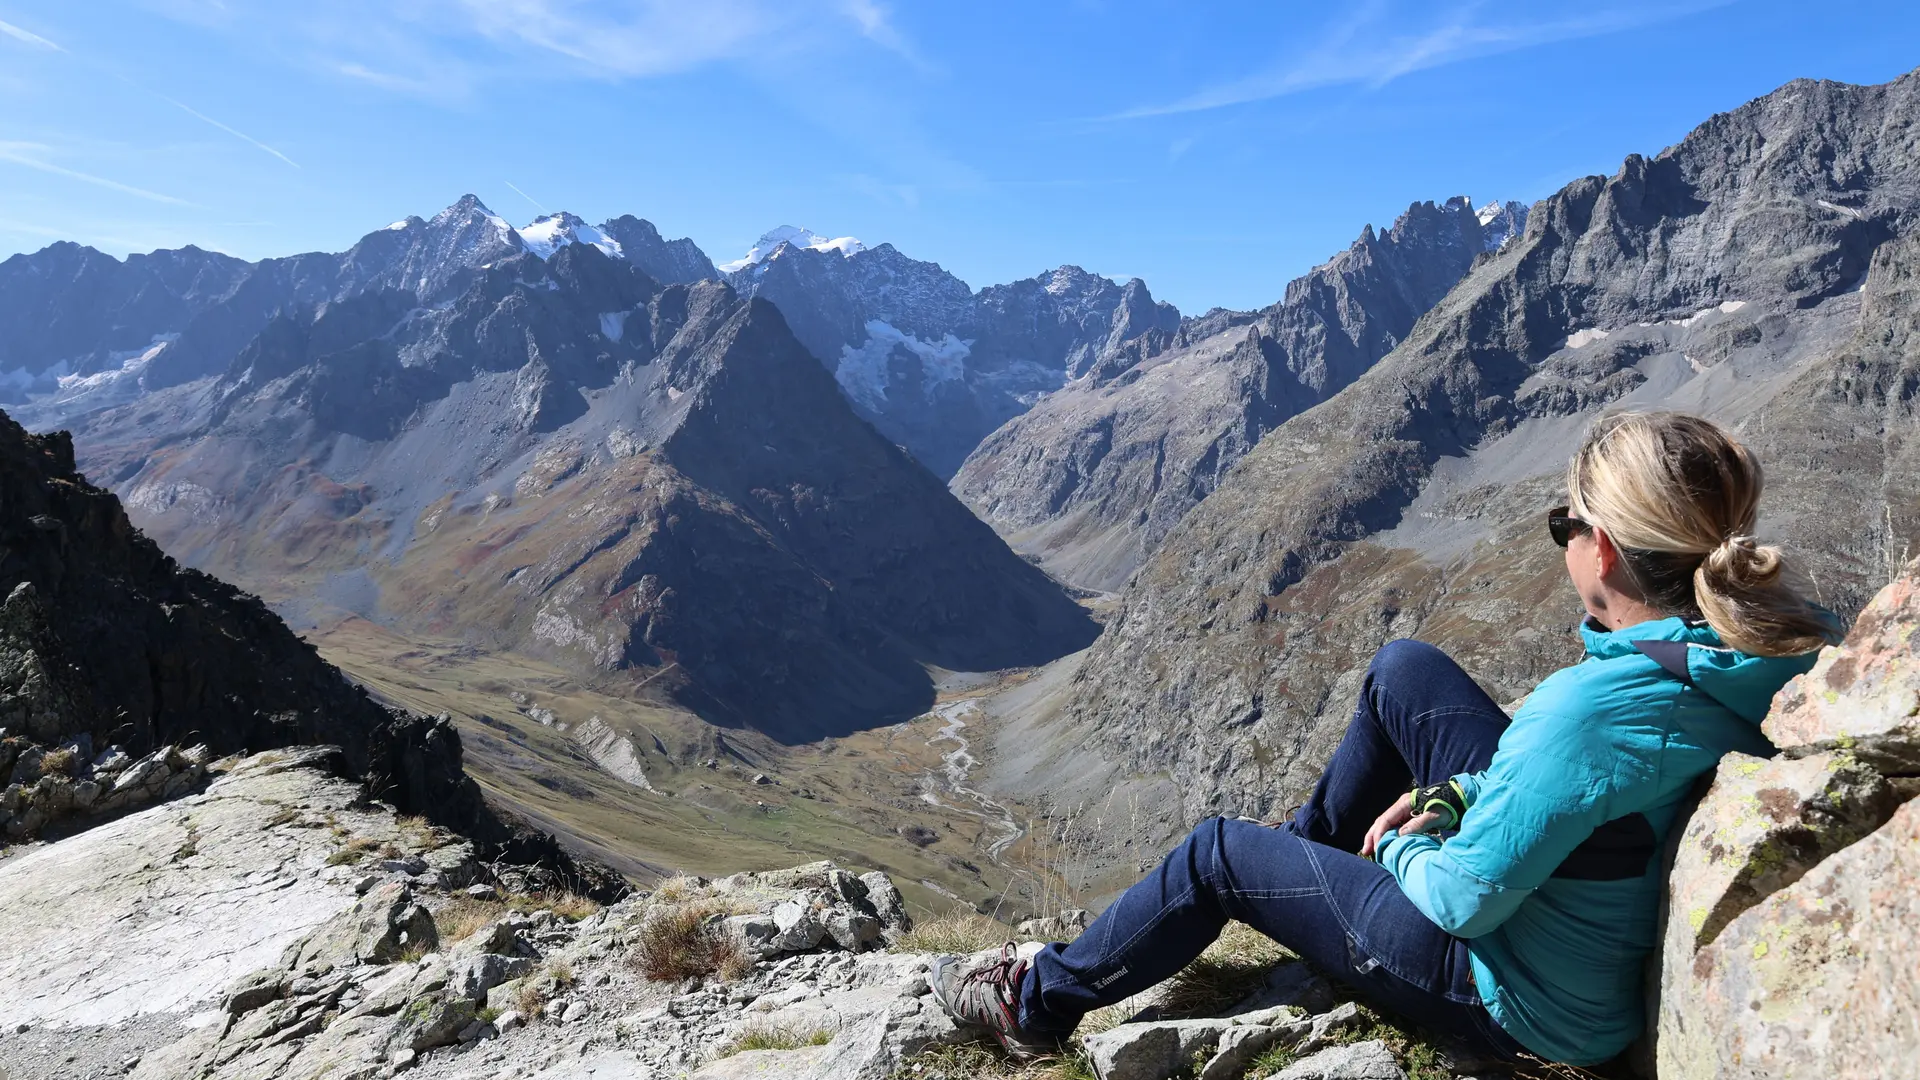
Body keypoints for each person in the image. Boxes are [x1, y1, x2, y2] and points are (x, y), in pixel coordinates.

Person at [928, 411, 1840, 1068]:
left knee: (1211, 852)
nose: (1559, 539)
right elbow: (1583, 793)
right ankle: (1297, 868)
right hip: (1573, 904)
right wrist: (1454, 795)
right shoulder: (1755, 649)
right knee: (1404, 668)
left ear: (1600, 549)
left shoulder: (1589, 712)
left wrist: (1409, 841)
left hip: (1511, 993)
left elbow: (1462, 897)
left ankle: (1032, 1005)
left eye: (1563, 522)